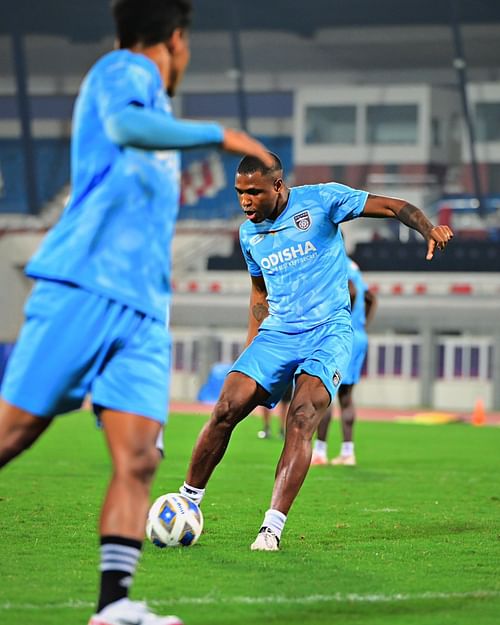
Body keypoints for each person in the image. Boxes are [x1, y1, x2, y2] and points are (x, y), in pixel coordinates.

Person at [0, 1, 273, 624]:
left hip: (144, 312)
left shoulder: (160, 110)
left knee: (141, 458)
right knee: (11, 434)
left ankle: (113, 608)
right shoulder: (123, 72)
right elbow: (123, 129)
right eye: (186, 46)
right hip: (84, 288)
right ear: (174, 40)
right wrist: (220, 135)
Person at [178, 152, 453, 551]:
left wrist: (427, 227)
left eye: (253, 192)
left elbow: (394, 206)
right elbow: (259, 293)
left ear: (278, 186)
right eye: (240, 193)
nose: (245, 201)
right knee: (224, 409)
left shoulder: (323, 200)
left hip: (329, 332)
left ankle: (271, 527)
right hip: (277, 334)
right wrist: (252, 346)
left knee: (302, 415)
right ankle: (187, 503)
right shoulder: (248, 234)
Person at [310, 258, 377, 466]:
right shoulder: (354, 266)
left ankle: (320, 451)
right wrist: (361, 324)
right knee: (346, 396)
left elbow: (352, 290)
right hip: (357, 335)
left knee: (325, 392)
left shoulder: (334, 261)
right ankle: (348, 451)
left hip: (339, 336)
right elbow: (370, 297)